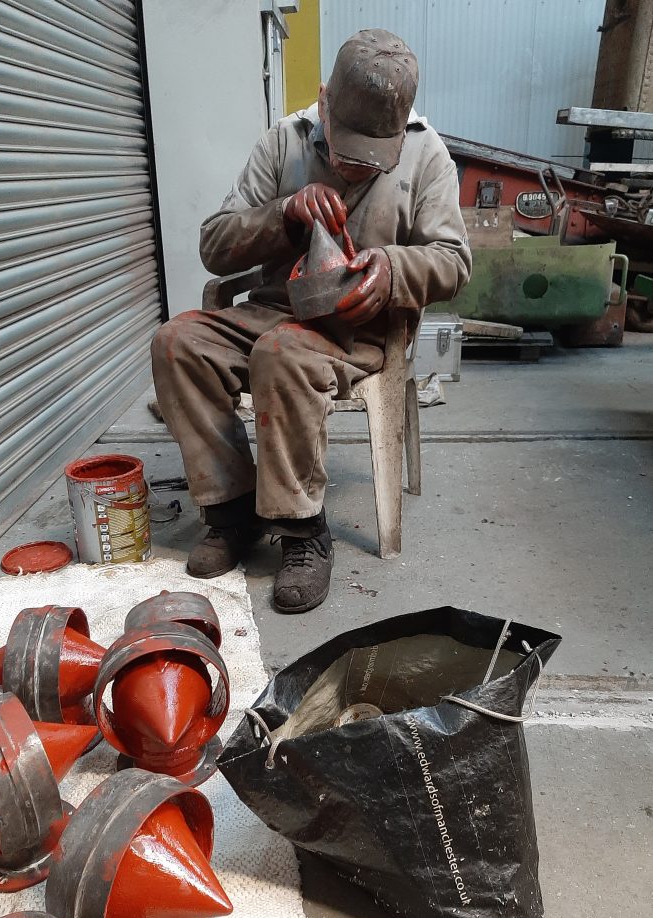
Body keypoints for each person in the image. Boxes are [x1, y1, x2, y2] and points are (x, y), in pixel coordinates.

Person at [151, 29, 471, 613]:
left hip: (360, 329)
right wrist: (283, 215)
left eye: (370, 156)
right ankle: (231, 511)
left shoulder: (429, 156)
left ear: (399, 133)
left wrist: (394, 270)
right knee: (177, 342)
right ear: (323, 101)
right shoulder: (284, 142)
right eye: (345, 150)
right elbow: (214, 245)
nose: (351, 168)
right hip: (272, 308)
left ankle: (303, 533)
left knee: (282, 354)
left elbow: (453, 261)